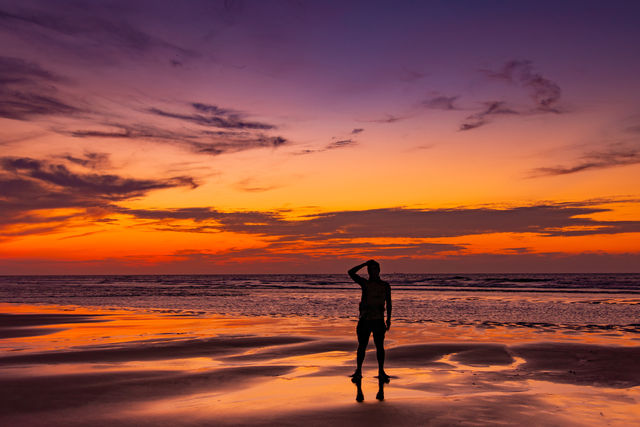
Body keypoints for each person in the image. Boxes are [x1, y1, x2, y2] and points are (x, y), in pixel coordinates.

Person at [348, 259, 391, 386]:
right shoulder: (365, 283)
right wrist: (364, 264)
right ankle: (359, 371)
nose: (373, 272)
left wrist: (388, 318)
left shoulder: (385, 286)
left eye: (375, 269)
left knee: (380, 347)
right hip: (365, 320)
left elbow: (389, 303)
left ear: (378, 271)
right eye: (370, 270)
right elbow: (350, 272)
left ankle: (381, 371)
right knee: (362, 346)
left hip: (378, 320)